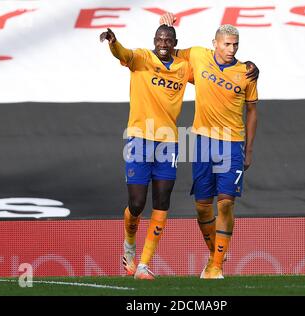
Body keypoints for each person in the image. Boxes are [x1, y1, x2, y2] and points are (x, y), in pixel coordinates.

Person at [160, 14, 259, 279]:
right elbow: (166, 51)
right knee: (203, 205)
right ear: (214, 43)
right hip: (202, 140)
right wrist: (167, 27)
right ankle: (217, 252)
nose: (232, 49)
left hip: (231, 143)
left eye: (235, 45)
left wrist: (248, 150)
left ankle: (216, 266)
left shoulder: (247, 73)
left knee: (226, 203)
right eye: (226, 44)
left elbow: (252, 112)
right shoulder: (198, 56)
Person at [100, 25, 192, 280]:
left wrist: (247, 67)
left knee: (162, 202)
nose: (163, 42)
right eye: (160, 38)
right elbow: (124, 54)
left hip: (169, 142)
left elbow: (209, 72)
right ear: (154, 41)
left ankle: (143, 264)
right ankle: (129, 247)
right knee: (137, 204)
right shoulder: (141, 58)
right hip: (139, 138)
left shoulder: (184, 67)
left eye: (168, 39)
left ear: (175, 42)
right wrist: (113, 41)